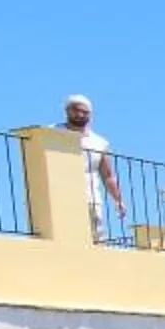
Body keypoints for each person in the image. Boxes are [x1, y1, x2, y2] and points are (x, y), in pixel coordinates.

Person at [66, 94, 125, 236]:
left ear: (90, 115)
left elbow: (108, 176)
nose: (80, 114)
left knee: (95, 238)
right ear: (67, 111)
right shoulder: (53, 132)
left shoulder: (100, 143)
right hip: (61, 196)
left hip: (90, 198)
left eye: (85, 112)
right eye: (76, 110)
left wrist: (118, 200)